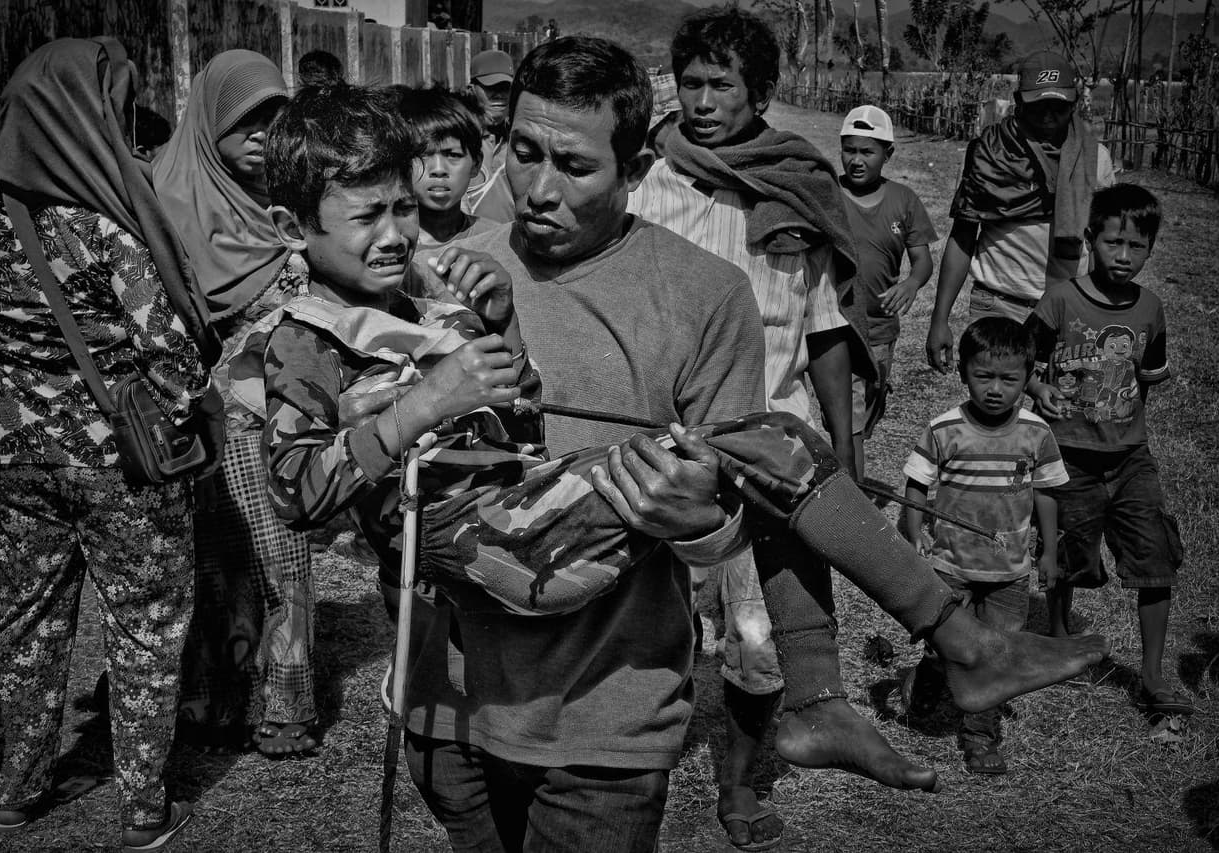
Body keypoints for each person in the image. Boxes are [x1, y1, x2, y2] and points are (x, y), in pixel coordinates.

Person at [251, 37, 1106, 853]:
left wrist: (694, 516)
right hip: (460, 687)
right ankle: (886, 670)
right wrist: (443, 374)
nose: (537, 189)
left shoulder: (699, 293)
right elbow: (334, 476)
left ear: (637, 167)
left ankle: (873, 672)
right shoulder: (404, 281)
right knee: (772, 444)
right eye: (521, 153)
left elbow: (686, 506)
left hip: (604, 725)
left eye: (575, 165)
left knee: (771, 445)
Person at [0, 37, 221, 850]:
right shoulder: (110, 215)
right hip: (122, 463)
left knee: (22, 623)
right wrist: (170, 416)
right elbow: (172, 355)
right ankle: (141, 808)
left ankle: (17, 789)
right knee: (144, 625)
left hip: (13, 453)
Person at [625, 9, 885, 848]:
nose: (701, 103)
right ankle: (631, 785)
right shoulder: (643, 187)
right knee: (640, 630)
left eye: (721, 86)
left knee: (760, 636)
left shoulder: (798, 186)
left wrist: (841, 448)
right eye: (691, 84)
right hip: (656, 447)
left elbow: (825, 327)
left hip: (774, 444)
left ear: (762, 93)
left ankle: (738, 787)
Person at [153, 50, 317, 756]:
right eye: (244, 119)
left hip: (279, 417)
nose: (262, 132)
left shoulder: (294, 202)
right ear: (207, 123)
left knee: (283, 558)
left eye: (274, 116)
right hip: (199, 420)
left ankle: (283, 704)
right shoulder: (163, 204)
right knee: (209, 562)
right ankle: (208, 697)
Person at [1024, 184, 1194, 717]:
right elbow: (1020, 358)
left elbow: (1152, 372)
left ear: (1151, 249)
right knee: (1070, 552)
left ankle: (1151, 672)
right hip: (1069, 457)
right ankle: (1057, 637)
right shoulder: (1060, 300)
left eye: (1137, 246)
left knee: (1156, 555)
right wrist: (1039, 387)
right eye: (1113, 243)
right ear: (1090, 240)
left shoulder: (1151, 308)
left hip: (1130, 458)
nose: (1123, 257)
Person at [902, 317, 1069, 774]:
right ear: (963, 373)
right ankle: (931, 678)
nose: (995, 389)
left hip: (1009, 573)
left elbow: (1047, 492)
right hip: (950, 564)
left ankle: (980, 735)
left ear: (1028, 376)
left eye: (1009, 379)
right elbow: (916, 483)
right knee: (945, 646)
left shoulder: (1036, 433)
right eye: (983, 376)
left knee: (995, 656)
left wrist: (1048, 550)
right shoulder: (944, 430)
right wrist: (912, 530)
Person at [926, 49, 1117, 374]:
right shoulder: (988, 155)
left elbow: (1103, 243)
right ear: (1018, 101)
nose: (1047, 116)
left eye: (1057, 107)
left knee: (1062, 413)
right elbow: (962, 237)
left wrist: (1102, 310)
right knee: (995, 414)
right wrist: (939, 318)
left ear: (1074, 103)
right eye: (1037, 105)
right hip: (997, 305)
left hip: (1069, 308)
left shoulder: (1094, 160)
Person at [838, 104, 936, 479]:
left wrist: (911, 283)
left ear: (888, 154)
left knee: (870, 406)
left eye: (867, 151)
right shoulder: (830, 194)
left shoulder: (904, 200)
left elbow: (922, 261)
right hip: (838, 324)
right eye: (850, 150)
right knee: (849, 420)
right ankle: (853, 497)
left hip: (880, 331)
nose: (856, 160)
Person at [399, 86, 499, 269]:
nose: (438, 170)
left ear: (476, 164)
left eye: (452, 155)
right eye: (423, 155)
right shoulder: (391, 246)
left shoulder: (496, 240)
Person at [463, 49, 515, 221]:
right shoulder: (458, 139)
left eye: (505, 88)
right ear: (471, 89)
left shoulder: (517, 140)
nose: (499, 95)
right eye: (491, 88)